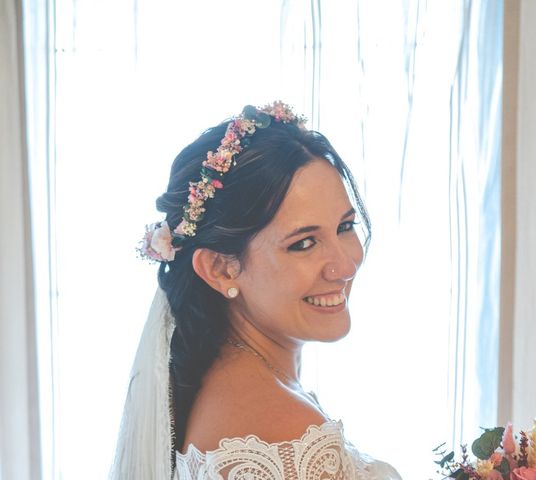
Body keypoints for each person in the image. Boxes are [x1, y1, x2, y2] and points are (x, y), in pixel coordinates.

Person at [110, 101, 402, 479]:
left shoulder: (225, 383)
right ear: (220, 269)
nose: (346, 266)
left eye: (345, 227)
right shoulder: (285, 436)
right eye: (304, 243)